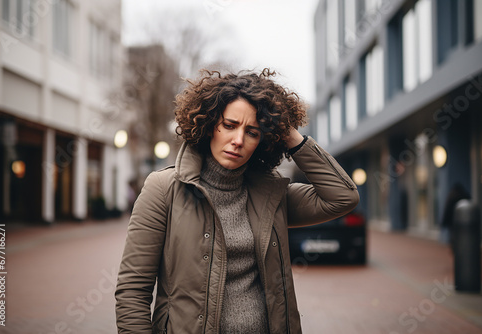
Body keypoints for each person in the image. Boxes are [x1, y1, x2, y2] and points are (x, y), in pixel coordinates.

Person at [115, 69, 359, 334]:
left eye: (252, 132)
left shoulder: (272, 195)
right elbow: (133, 290)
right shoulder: (163, 190)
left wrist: (288, 133)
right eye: (229, 126)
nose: (238, 140)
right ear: (209, 125)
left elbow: (342, 196)